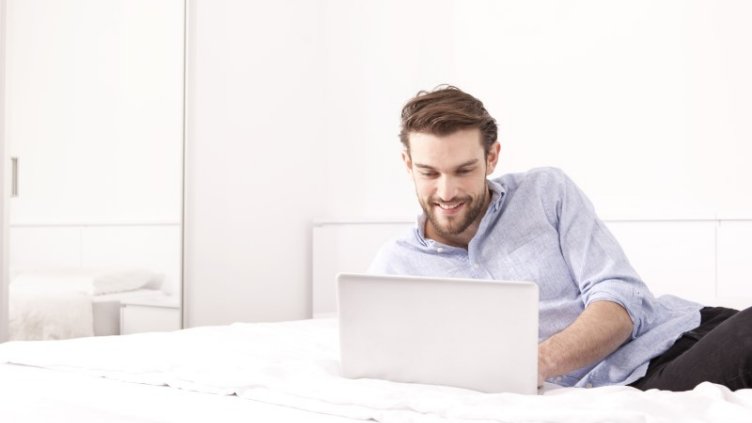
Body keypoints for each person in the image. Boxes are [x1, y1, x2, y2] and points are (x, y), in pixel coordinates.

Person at [368, 85, 752, 391]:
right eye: (429, 173)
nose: (447, 191)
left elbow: (621, 297)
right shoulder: (393, 268)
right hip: (636, 377)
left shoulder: (545, 192)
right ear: (407, 165)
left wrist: (536, 363)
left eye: (464, 170)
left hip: (684, 324)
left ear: (492, 158)